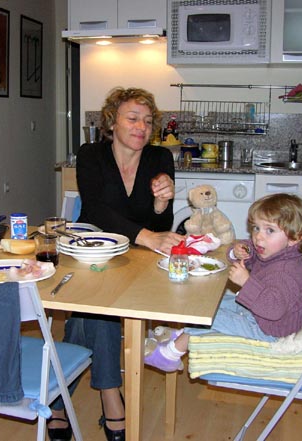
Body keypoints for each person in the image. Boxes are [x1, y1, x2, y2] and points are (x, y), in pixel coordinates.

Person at [47, 87, 185, 441]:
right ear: (112, 122)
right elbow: (95, 210)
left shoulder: (160, 158)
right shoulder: (91, 154)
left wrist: (161, 203)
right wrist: (148, 236)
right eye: (133, 118)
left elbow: (162, 223)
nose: (142, 127)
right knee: (101, 307)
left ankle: (58, 398)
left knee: (87, 316)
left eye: (148, 121)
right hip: (92, 251)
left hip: (137, 259)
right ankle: (111, 395)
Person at [144, 193, 302, 372]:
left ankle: (170, 354)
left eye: (270, 230)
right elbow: (252, 251)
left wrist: (246, 282)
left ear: (295, 237)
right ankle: (181, 334)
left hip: (271, 332)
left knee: (210, 317)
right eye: (256, 228)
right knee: (211, 303)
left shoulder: (285, 272)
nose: (258, 237)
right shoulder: (275, 251)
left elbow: (273, 309)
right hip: (261, 317)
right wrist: (239, 251)